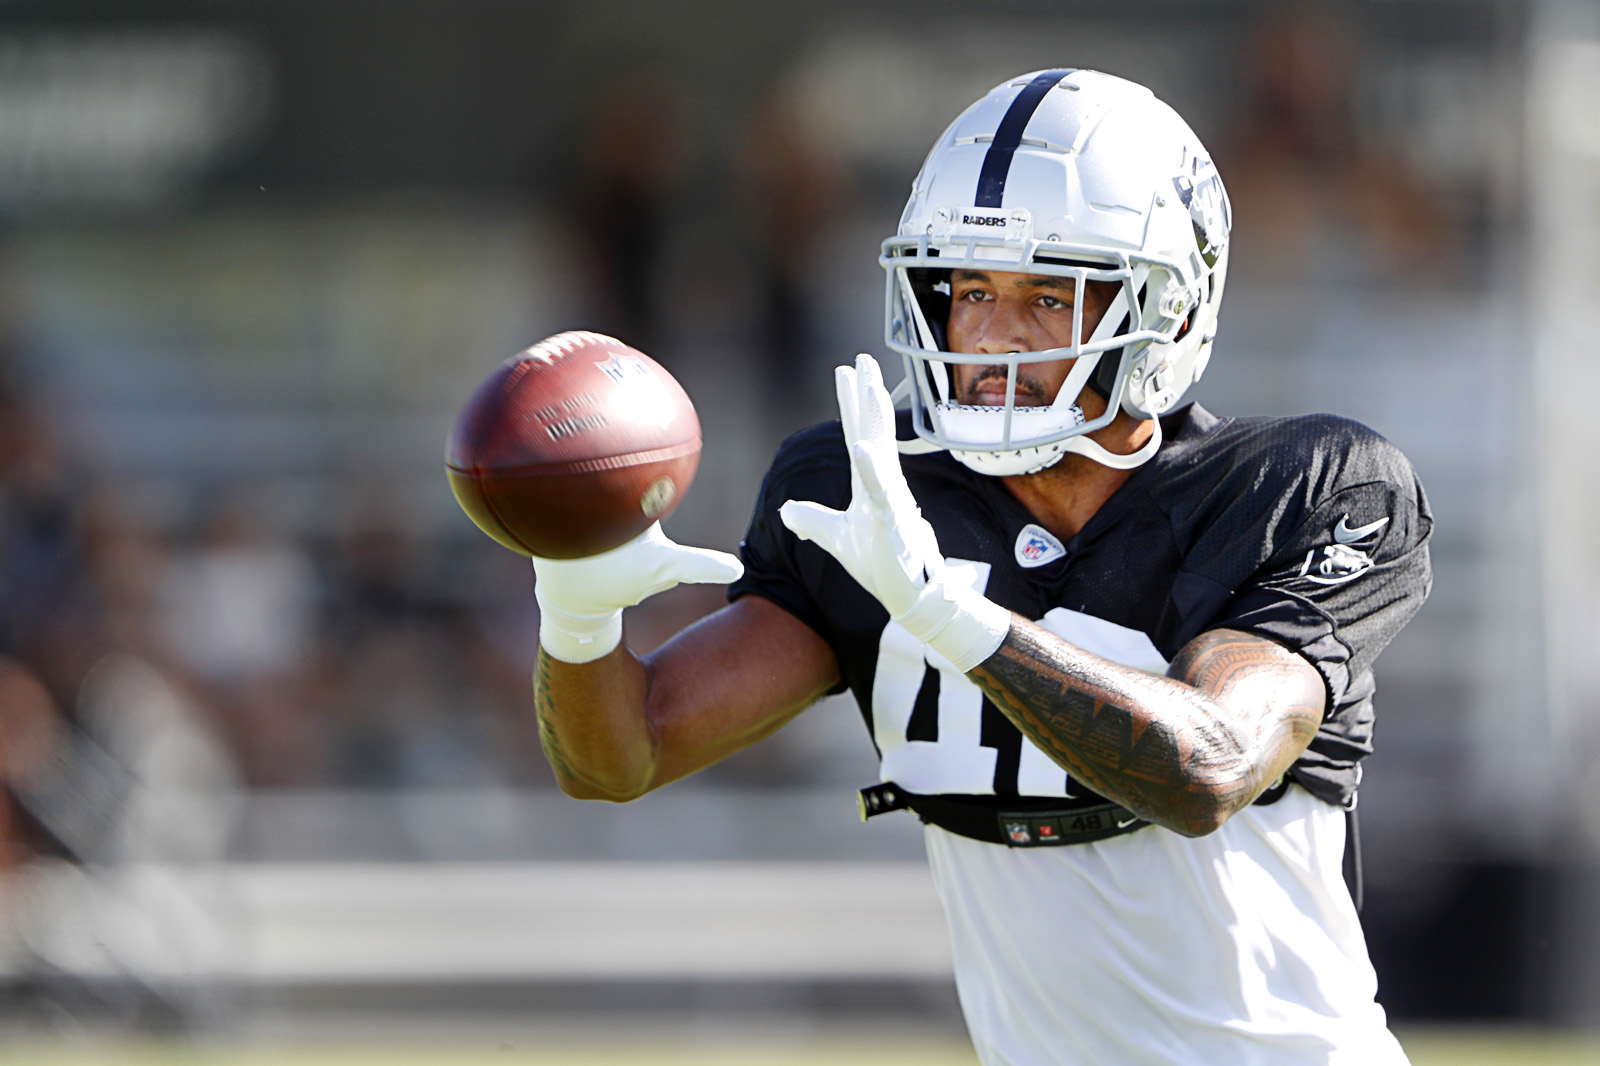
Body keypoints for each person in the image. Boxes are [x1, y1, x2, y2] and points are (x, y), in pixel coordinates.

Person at [530, 69, 1431, 1065]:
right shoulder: (871, 489)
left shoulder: (1300, 486)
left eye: (1049, 294)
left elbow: (1208, 765)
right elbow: (622, 755)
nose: (993, 335)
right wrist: (575, 606)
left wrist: (949, 613)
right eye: (967, 289)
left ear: (1167, 312)